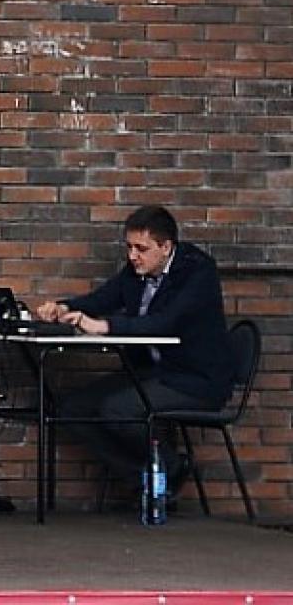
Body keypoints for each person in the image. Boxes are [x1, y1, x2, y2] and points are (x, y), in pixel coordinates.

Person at [33, 205, 234, 498]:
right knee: (72, 409)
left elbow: (164, 323)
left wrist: (104, 327)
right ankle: (148, 479)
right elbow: (103, 298)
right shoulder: (137, 270)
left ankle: (168, 470)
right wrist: (64, 308)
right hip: (152, 372)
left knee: (118, 410)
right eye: (129, 247)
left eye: (141, 249)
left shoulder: (197, 272)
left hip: (194, 378)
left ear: (166, 247)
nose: (132, 256)